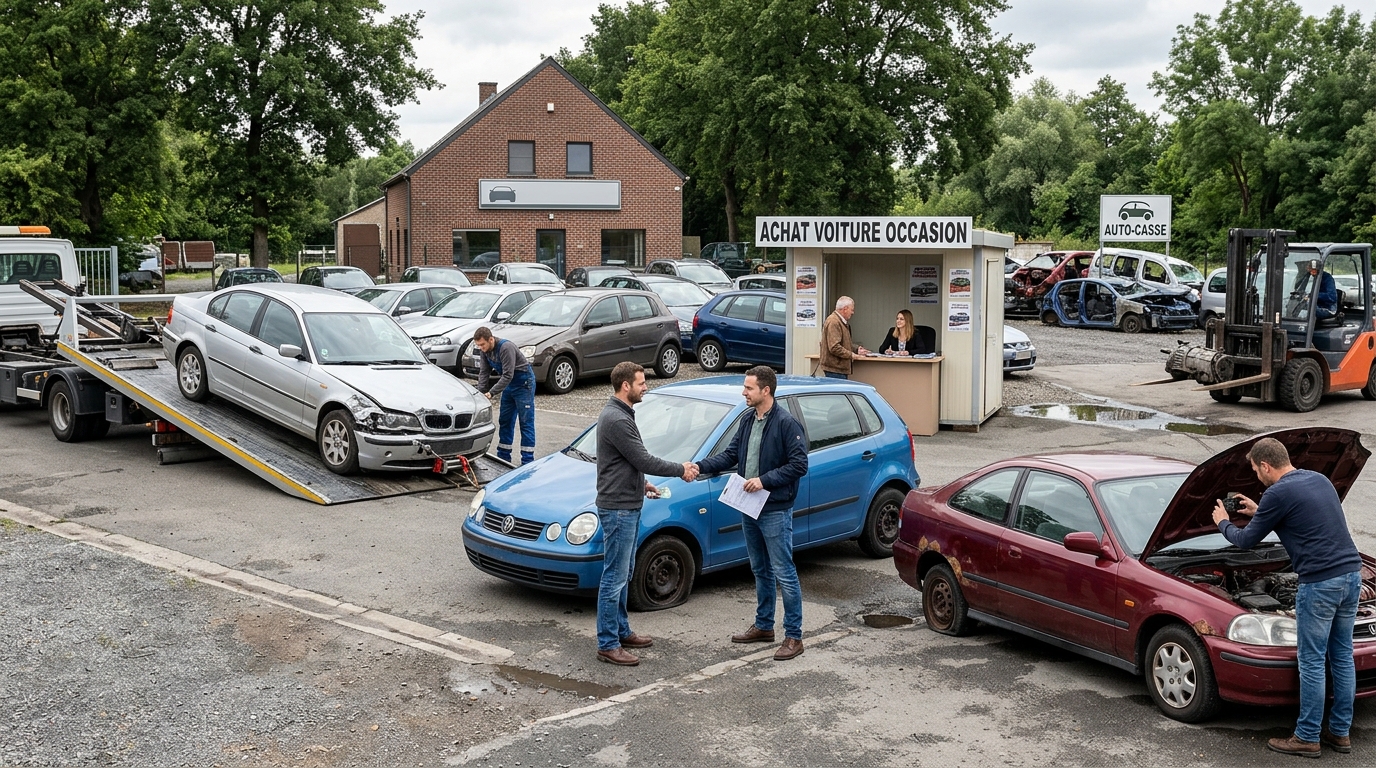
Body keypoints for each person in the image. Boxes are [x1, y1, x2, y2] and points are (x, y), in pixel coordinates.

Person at [1211, 437, 1362, 758]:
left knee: (1311, 661)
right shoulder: (1317, 479)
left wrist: (1223, 521)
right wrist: (1259, 509)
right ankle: (1340, 733)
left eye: (1255, 470)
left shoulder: (1278, 493)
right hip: (1351, 576)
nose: (1256, 476)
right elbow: (1302, 522)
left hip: (1320, 584)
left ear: (1266, 465)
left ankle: (1307, 736)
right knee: (1342, 656)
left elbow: (1245, 541)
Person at [691, 366, 809, 660]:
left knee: (784, 571)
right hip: (748, 507)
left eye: (748, 388)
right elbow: (732, 455)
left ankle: (794, 636)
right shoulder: (747, 420)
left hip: (775, 510)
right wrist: (699, 467)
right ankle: (764, 625)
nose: (743, 392)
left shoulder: (786, 423)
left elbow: (799, 465)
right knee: (759, 569)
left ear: (765, 391)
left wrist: (764, 480)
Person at [593, 362, 698, 666]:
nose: (645, 387)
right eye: (641, 383)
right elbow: (642, 458)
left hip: (628, 502)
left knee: (624, 573)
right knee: (614, 577)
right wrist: (681, 469)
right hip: (618, 509)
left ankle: (621, 630)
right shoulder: (617, 418)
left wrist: (643, 484)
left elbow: (624, 463)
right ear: (625, 386)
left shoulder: (621, 414)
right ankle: (607, 643)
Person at [473, 327, 536, 465]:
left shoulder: (505, 347)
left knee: (526, 422)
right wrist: (481, 393)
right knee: (505, 420)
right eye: (478, 345)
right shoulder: (484, 351)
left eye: (482, 345)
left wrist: (492, 392)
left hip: (523, 383)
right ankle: (503, 457)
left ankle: (527, 461)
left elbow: (508, 374)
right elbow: (484, 372)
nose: (481, 348)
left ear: (491, 339)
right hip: (508, 385)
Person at [819, 296, 869, 378]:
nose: (853, 313)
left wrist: (856, 349)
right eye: (852, 310)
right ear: (845, 309)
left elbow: (843, 343)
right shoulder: (834, 322)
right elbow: (834, 347)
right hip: (835, 370)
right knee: (837, 391)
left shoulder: (840, 322)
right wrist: (852, 355)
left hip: (837, 369)